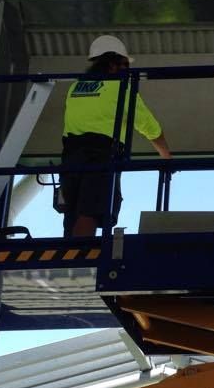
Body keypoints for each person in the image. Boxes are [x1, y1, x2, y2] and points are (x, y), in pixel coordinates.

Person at [61, 35, 171, 237]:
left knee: (72, 214)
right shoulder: (121, 87)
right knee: (90, 211)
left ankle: (69, 253)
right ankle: (82, 253)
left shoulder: (75, 88)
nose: (128, 71)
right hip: (100, 155)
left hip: (70, 156)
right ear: (112, 65)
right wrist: (166, 157)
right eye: (125, 65)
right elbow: (150, 127)